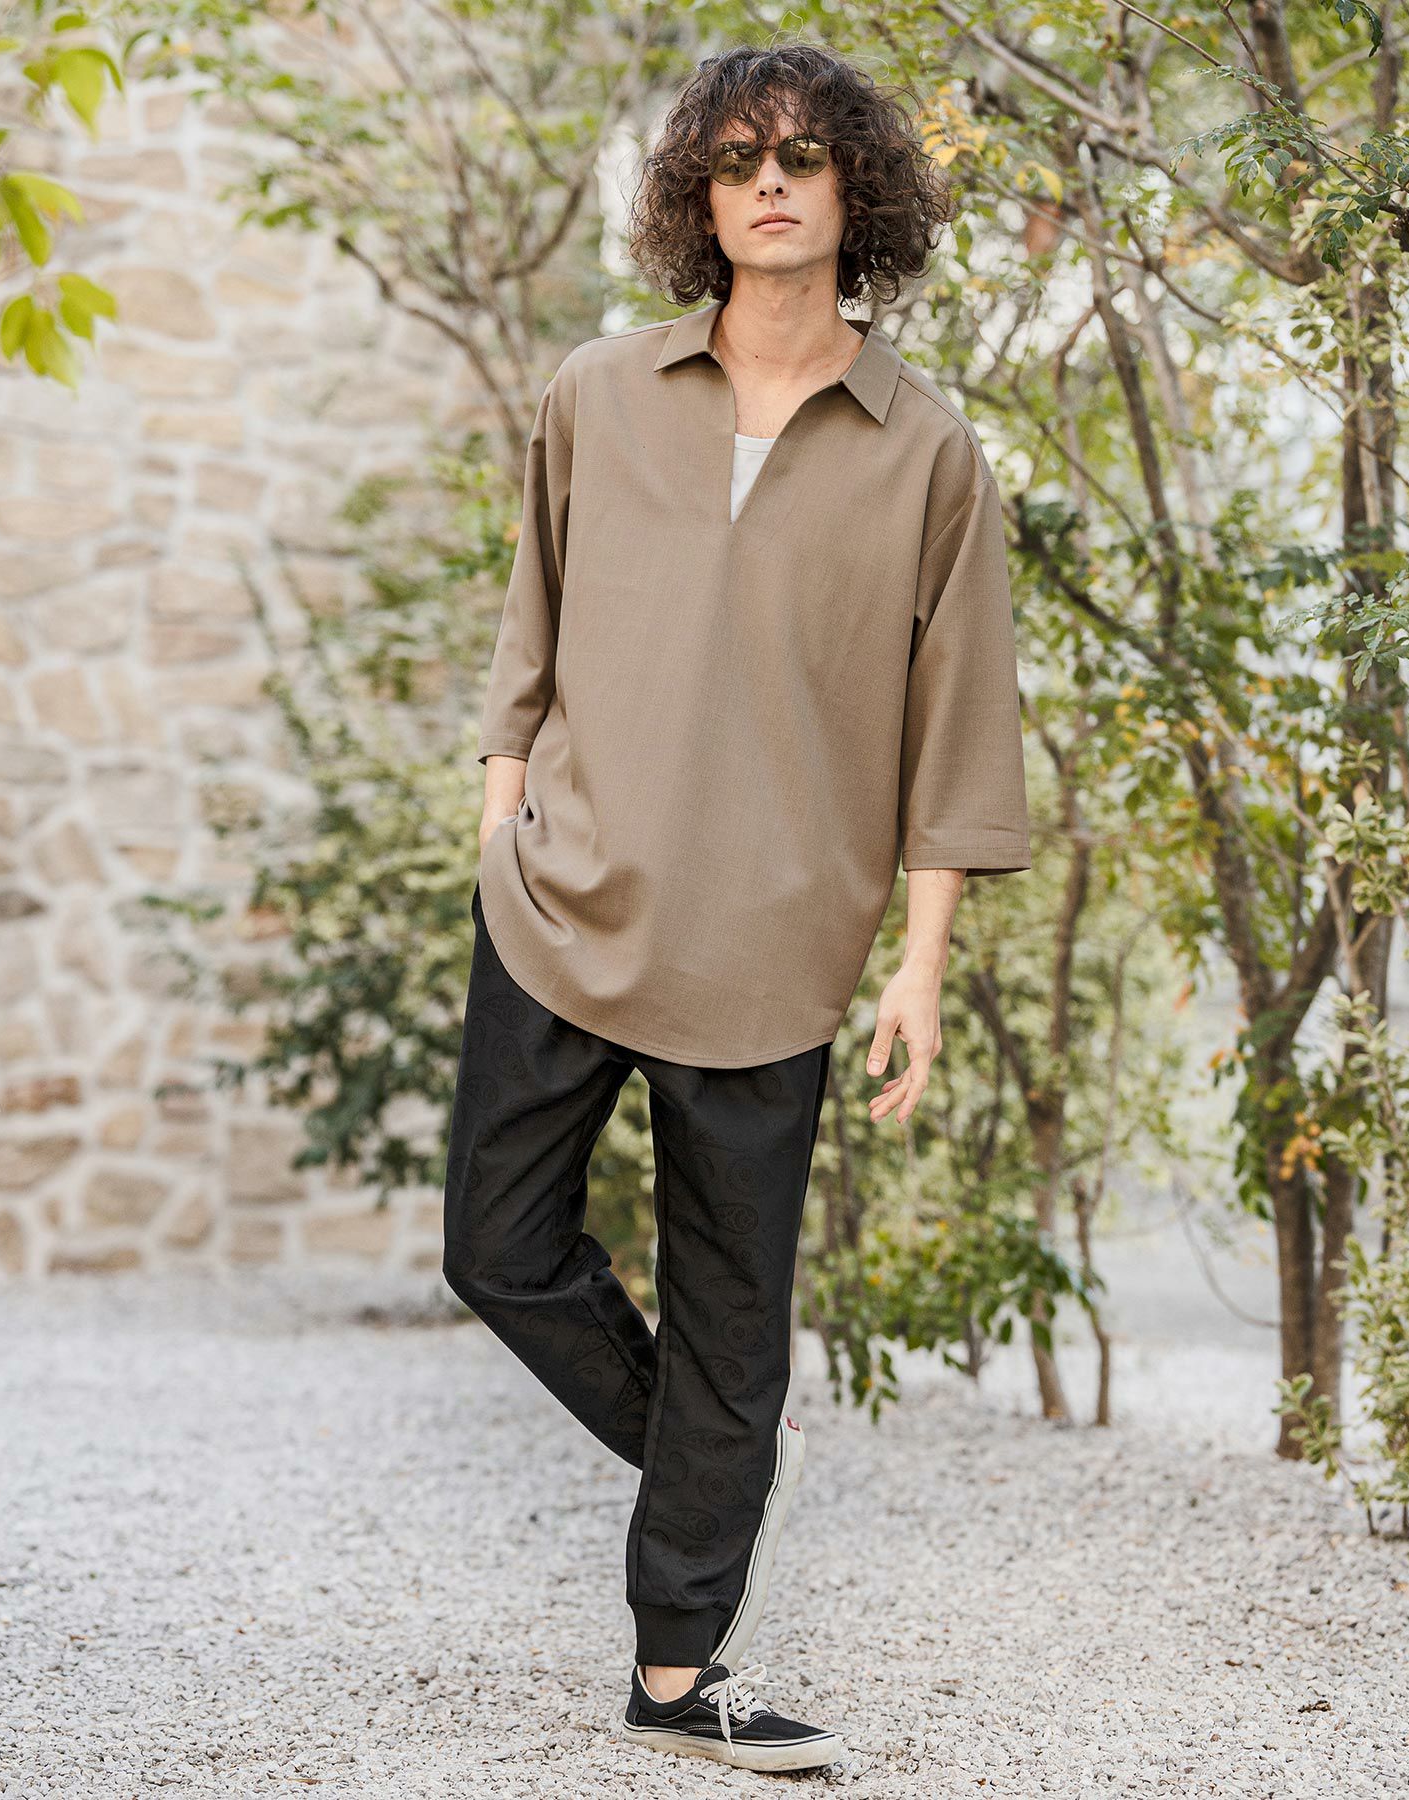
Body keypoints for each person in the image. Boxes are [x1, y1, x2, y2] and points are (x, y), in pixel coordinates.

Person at [441, 39, 1032, 1774]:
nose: (770, 182)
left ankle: (675, 1676)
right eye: (736, 159)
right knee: (494, 1249)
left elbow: (958, 724)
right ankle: (713, 1459)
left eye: (803, 156)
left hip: (776, 944)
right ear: (697, 198)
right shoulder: (599, 392)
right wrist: (499, 820)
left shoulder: (928, 453)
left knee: (732, 1322)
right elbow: (533, 620)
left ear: (859, 189)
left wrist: (920, 965)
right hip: (564, 899)